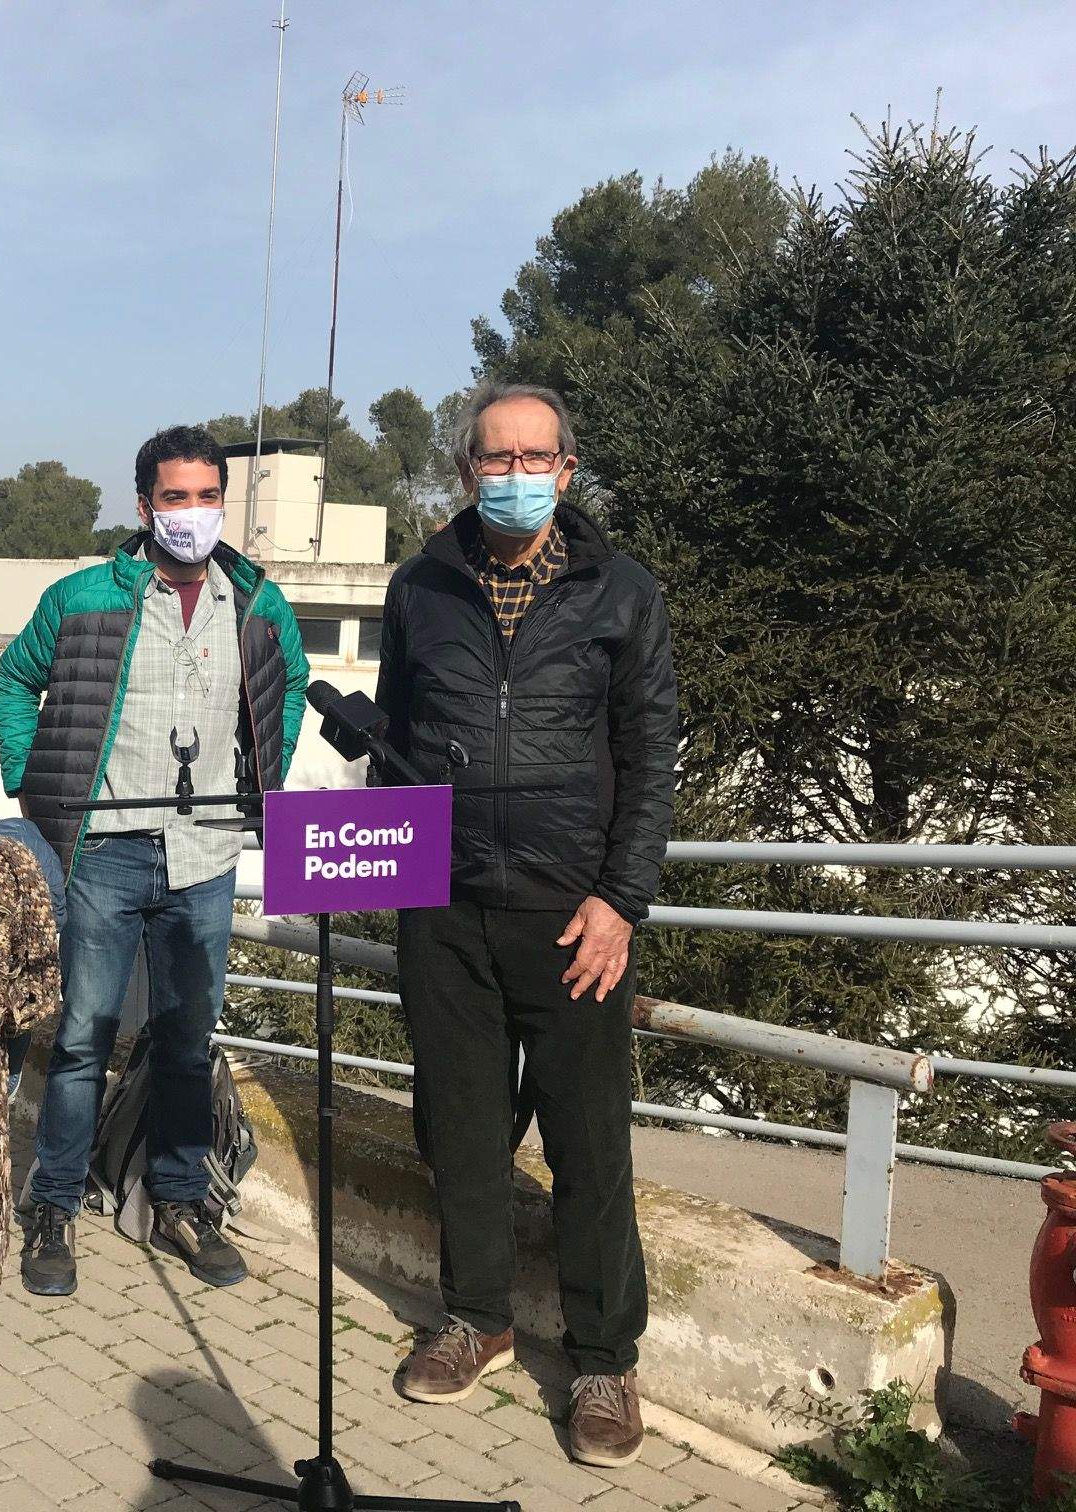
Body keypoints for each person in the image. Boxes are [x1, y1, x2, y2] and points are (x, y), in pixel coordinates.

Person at [374, 382, 678, 1468]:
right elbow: (396, 740)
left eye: (531, 456)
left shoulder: (621, 593)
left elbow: (649, 764)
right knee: (458, 1122)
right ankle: (478, 1319)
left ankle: (603, 1360)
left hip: (572, 913)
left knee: (589, 1138)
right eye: (492, 458)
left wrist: (621, 900)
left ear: (567, 467)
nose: (511, 474)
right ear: (466, 471)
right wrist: (385, 850)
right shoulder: (420, 589)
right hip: (443, 904)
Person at [0, 424, 308, 1297]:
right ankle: (52, 1206)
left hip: (206, 854)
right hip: (106, 852)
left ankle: (180, 1201)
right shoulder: (85, 597)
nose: (195, 513)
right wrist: (32, 777)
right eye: (177, 497)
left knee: (184, 1041)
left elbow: (292, 678)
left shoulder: (253, 601)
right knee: (83, 1038)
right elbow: (17, 678)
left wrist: (262, 773)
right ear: (144, 506)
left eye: (210, 496)